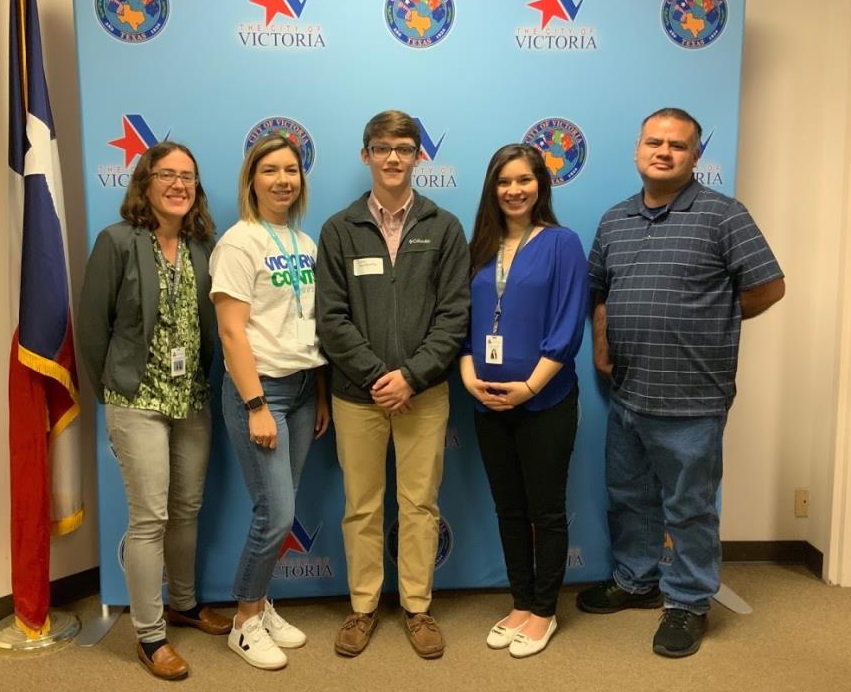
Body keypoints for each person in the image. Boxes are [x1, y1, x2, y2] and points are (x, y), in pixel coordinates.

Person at [577, 108, 785, 658]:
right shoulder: (616, 219)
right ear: (638, 150)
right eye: (654, 142)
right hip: (628, 392)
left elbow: (769, 287)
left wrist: (711, 315)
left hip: (694, 394)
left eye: (677, 145)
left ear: (695, 156)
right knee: (629, 496)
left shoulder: (723, 215)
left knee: (689, 506)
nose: (663, 151)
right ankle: (636, 579)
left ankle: (689, 602)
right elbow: (600, 288)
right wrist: (601, 340)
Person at [316, 110, 470, 660]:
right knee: (361, 505)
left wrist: (411, 375)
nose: (392, 158)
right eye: (381, 148)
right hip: (357, 396)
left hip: (424, 394)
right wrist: (377, 376)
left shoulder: (444, 227)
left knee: (420, 504)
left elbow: (455, 314)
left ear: (417, 156)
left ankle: (417, 606)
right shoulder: (339, 229)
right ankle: (362, 608)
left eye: (403, 148)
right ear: (366, 155)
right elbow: (330, 317)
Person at [77, 141, 229, 681]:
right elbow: (92, 331)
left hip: (190, 401)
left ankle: (182, 605)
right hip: (136, 401)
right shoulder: (117, 242)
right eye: (167, 174)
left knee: (187, 508)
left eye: (189, 176)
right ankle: (149, 635)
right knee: (150, 518)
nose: (179, 185)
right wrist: (113, 393)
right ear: (146, 182)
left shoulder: (201, 247)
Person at [459, 144, 588, 658]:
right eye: (504, 181)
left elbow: (567, 323)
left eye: (524, 180)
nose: (514, 190)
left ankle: (544, 611)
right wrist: (469, 375)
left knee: (546, 509)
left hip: (545, 400)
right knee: (508, 507)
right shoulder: (479, 247)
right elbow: (462, 322)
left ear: (541, 185)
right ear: (492, 188)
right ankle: (519, 602)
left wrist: (530, 386)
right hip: (485, 400)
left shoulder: (562, 244)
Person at [209, 133, 330, 671]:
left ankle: (262, 604)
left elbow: (311, 326)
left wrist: (321, 392)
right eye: (271, 170)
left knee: (285, 504)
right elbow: (232, 334)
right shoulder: (239, 243)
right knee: (274, 513)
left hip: (304, 388)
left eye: (292, 170)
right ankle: (242, 620)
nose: (283, 179)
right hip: (261, 392)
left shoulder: (304, 244)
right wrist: (257, 404)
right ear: (251, 180)